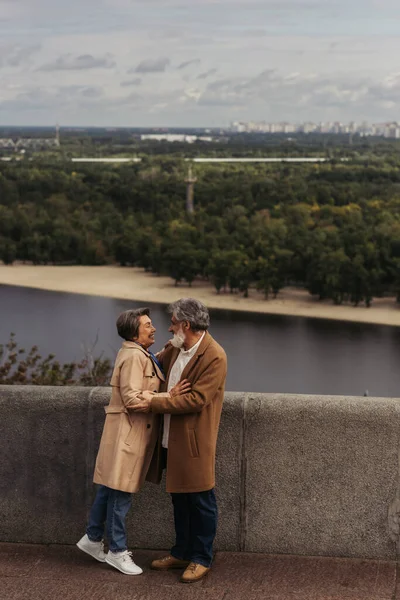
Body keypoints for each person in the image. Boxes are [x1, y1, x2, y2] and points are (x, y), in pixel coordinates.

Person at [76, 308, 190, 575]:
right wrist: (168, 397)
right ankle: (117, 551)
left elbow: (151, 371)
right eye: (148, 325)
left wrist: (168, 349)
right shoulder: (133, 357)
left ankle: (92, 539)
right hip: (128, 435)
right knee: (121, 493)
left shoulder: (139, 353)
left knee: (110, 487)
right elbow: (131, 399)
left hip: (125, 433)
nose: (153, 328)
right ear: (134, 332)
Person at [132, 298, 227, 584]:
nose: (169, 326)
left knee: (200, 500)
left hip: (194, 442)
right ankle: (182, 552)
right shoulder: (175, 347)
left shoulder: (215, 356)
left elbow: (197, 399)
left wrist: (159, 401)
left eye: (173, 322)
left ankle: (201, 558)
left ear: (186, 325)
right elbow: (153, 370)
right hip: (169, 438)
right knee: (180, 499)